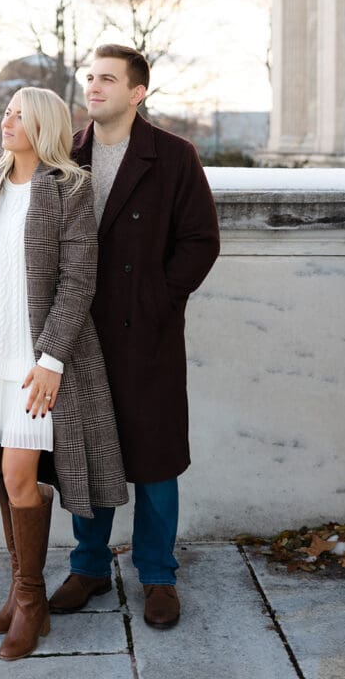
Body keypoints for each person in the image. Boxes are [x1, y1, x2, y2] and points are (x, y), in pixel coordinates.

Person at [0, 86, 128, 662]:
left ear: (43, 125)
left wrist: (51, 360)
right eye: (7, 113)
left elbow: (79, 280)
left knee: (20, 473)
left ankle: (29, 598)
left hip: (38, 360)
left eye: (20, 116)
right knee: (4, 474)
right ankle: (24, 595)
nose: (7, 122)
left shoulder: (70, 187)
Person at [49, 45, 220, 629]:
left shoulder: (172, 155)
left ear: (137, 92)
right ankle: (89, 567)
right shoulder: (64, 153)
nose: (93, 88)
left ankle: (158, 575)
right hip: (77, 331)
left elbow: (200, 240)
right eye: (89, 78)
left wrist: (159, 300)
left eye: (107, 79)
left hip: (147, 334)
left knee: (155, 459)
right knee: (85, 453)